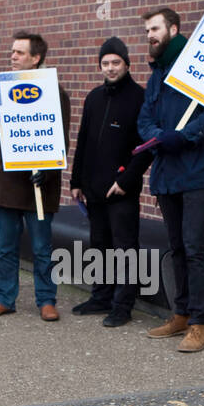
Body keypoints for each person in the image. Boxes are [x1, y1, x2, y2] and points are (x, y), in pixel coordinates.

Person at [137, 8, 204, 352]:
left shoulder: (201, 65)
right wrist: (157, 135)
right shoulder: (157, 72)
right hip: (167, 172)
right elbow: (145, 115)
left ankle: (200, 324)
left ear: (173, 28)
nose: (150, 35)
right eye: (147, 30)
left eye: (155, 28)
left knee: (194, 248)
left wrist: (184, 136)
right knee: (176, 248)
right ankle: (181, 313)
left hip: (196, 171)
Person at [0, 30, 68, 322]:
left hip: (39, 186)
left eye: (19, 52)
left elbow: (61, 140)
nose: (12, 56)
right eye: (12, 51)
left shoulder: (56, 93)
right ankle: (4, 298)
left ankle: (46, 299)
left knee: (42, 247)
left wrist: (49, 170)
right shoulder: (4, 89)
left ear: (36, 57)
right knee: (6, 247)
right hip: (7, 183)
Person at [69, 36, 149, 327]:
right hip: (93, 187)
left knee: (125, 248)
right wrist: (76, 181)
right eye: (105, 63)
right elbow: (83, 142)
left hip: (121, 189)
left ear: (127, 64)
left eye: (116, 62)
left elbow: (146, 146)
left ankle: (123, 305)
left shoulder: (139, 98)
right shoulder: (94, 98)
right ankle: (101, 297)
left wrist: (126, 180)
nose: (111, 68)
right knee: (99, 244)